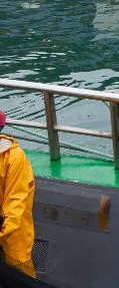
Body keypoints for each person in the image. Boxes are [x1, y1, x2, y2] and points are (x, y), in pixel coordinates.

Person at [0, 110, 36, 278]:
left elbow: (16, 204)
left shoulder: (14, 158)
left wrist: (2, 233)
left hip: (12, 234)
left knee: (20, 274)